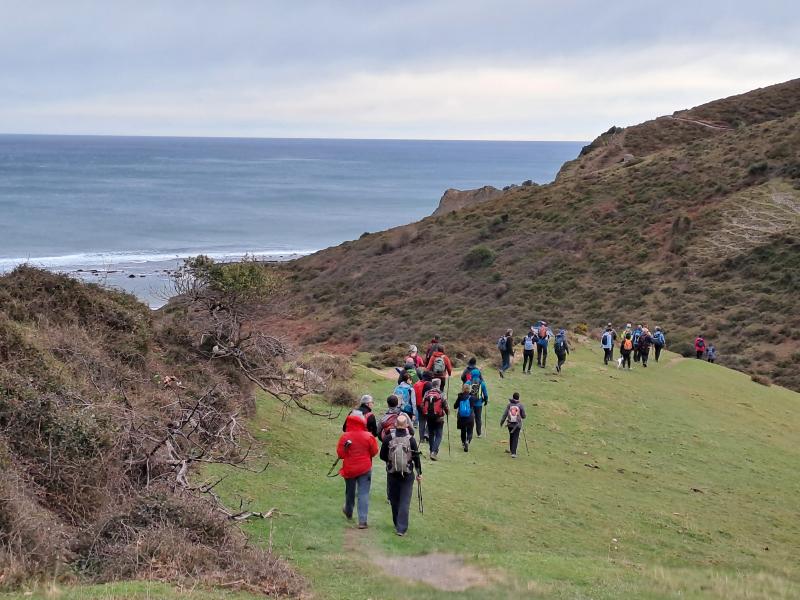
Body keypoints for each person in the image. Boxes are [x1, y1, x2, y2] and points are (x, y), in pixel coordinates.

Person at [380, 413, 422, 537]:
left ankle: (396, 522)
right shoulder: (411, 440)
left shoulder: (388, 438)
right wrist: (419, 473)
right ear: (407, 426)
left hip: (392, 473)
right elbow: (416, 458)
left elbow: (382, 455)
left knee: (394, 500)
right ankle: (401, 528)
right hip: (408, 474)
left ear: (395, 424)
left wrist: (390, 461)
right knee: (405, 501)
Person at [338, 412, 379, 529]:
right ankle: (362, 520)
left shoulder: (345, 436)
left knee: (350, 492)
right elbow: (374, 451)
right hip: (365, 468)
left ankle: (349, 511)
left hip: (349, 469)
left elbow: (340, 454)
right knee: (364, 493)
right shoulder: (368, 436)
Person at [421, 379, 449, 460]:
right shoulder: (441, 393)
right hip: (439, 418)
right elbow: (445, 405)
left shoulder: (427, 393)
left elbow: (422, 404)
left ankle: (431, 451)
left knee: (431, 434)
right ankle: (434, 452)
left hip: (429, 417)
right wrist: (447, 413)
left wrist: (425, 413)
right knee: (439, 435)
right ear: (438, 385)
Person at [464, 363, 489, 437]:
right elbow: (486, 395)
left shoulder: (468, 382)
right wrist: (485, 401)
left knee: (469, 417)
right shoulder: (482, 383)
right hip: (479, 404)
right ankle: (479, 433)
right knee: (478, 418)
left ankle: (468, 430)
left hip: (470, 403)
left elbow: (464, 391)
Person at [499, 392, 526, 458]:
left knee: (511, 435)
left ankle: (511, 449)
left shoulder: (509, 405)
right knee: (515, 437)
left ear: (513, 397)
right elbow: (524, 416)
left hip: (510, 424)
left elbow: (505, 414)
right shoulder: (520, 405)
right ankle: (513, 453)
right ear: (518, 398)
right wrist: (522, 416)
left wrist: (502, 422)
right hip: (517, 424)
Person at [454, 383, 476, 452]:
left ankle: (463, 443)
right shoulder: (472, 397)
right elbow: (474, 403)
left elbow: (455, 406)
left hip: (461, 417)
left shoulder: (460, 397)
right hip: (470, 416)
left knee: (463, 431)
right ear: (469, 389)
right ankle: (468, 441)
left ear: (463, 389)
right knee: (470, 431)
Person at [412, 371, 433, 442]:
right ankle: (427, 434)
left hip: (418, 405)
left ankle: (421, 439)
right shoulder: (429, 384)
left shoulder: (416, 384)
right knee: (431, 420)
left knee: (421, 421)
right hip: (427, 406)